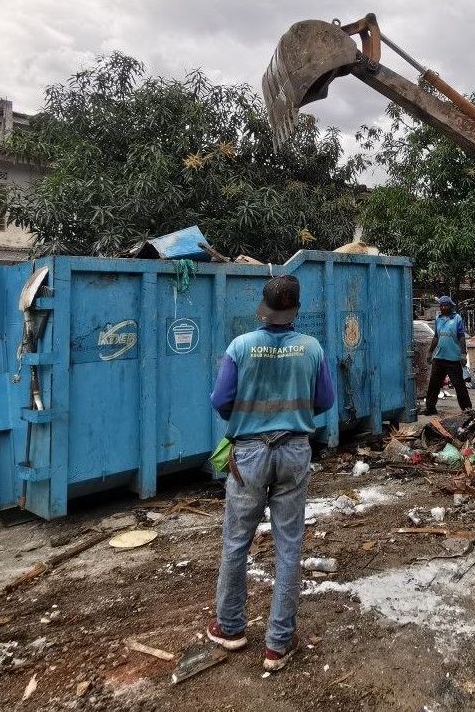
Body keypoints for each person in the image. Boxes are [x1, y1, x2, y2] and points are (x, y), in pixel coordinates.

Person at [206, 275, 336, 671]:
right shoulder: (311, 348)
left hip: (248, 455)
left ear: (264, 307)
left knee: (236, 542)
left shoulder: (240, 346)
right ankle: (278, 643)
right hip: (294, 451)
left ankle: (230, 627)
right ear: (295, 309)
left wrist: (252, 418)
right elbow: (325, 401)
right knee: (289, 545)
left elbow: (220, 401)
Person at [423, 296, 472, 415]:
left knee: (459, 384)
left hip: (453, 359)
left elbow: (461, 337)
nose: (444, 307)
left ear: (451, 306)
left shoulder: (457, 318)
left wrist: (463, 354)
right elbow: (436, 337)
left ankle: (467, 409)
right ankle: (430, 408)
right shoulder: (438, 319)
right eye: (442, 305)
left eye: (446, 305)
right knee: (434, 384)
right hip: (439, 357)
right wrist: (430, 352)